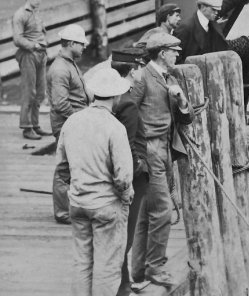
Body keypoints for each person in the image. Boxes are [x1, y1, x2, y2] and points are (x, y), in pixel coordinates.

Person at [56, 68, 134, 296]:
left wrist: (77, 185)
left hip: (78, 203)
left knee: (82, 262)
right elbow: (123, 176)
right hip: (106, 205)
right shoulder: (115, 127)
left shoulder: (72, 122)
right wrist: (126, 195)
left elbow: (61, 166)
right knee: (107, 266)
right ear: (116, 96)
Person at [130, 33, 193, 288]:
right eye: (174, 50)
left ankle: (138, 272)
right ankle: (155, 267)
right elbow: (127, 113)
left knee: (148, 212)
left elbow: (187, 118)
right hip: (149, 149)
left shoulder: (170, 79)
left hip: (166, 148)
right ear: (162, 53)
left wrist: (181, 100)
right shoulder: (142, 78)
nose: (177, 54)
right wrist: (137, 154)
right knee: (163, 210)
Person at [110, 47, 149, 296]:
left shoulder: (114, 98)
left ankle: (123, 284)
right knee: (126, 236)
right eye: (140, 67)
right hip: (131, 178)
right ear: (133, 70)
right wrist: (139, 168)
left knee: (121, 234)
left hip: (117, 175)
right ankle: (121, 287)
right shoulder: (128, 103)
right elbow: (128, 144)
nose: (141, 71)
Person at [48, 24, 93, 224]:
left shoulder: (69, 63)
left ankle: (71, 207)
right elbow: (60, 104)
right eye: (81, 44)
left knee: (74, 165)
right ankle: (62, 213)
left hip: (73, 122)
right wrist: (80, 120)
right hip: (67, 125)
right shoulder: (60, 69)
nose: (84, 47)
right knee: (64, 168)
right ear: (72, 43)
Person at [174, 0, 249, 63]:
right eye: (214, 9)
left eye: (217, 9)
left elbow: (228, 3)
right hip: (199, 67)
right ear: (203, 7)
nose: (217, 12)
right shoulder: (185, 28)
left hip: (217, 60)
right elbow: (176, 58)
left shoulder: (210, 15)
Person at [12, 0, 51, 140]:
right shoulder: (20, 15)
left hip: (41, 54)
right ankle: (26, 127)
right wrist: (33, 45)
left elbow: (42, 32)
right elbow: (17, 39)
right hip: (28, 54)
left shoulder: (37, 13)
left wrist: (43, 46)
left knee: (41, 91)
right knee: (29, 91)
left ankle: (35, 125)